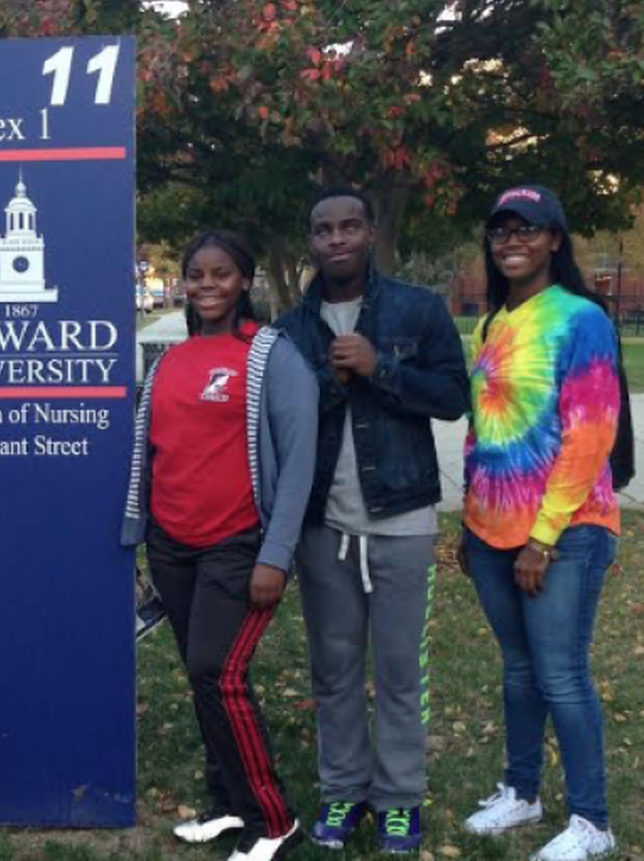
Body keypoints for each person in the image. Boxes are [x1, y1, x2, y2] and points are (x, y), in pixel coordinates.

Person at [275, 185, 468, 854]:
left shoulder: (419, 308)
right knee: (332, 670)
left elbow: (452, 397)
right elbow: (281, 422)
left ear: (370, 232)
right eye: (323, 229)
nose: (336, 239)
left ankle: (398, 798)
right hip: (323, 525)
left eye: (349, 226)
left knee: (398, 671)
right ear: (311, 241)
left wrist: (379, 366)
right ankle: (343, 789)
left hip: (402, 517)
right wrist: (332, 380)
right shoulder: (289, 330)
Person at [122, 231, 317, 861]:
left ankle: (273, 820)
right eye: (196, 274)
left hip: (238, 546)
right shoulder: (171, 362)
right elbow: (152, 451)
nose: (207, 285)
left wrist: (275, 555)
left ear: (244, 281)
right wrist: (140, 532)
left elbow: (299, 463)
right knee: (205, 677)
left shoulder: (270, 355)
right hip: (172, 546)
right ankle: (229, 800)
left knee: (219, 671)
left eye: (221, 274)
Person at [459, 186, 620, 861]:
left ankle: (592, 823)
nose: (512, 240)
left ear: (555, 239)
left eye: (527, 228)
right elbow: (483, 429)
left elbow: (591, 435)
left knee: (561, 675)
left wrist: (542, 539)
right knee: (519, 669)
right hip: (491, 531)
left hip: (565, 532)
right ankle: (522, 792)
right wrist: (470, 519)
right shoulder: (492, 323)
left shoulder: (581, 319)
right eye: (501, 230)